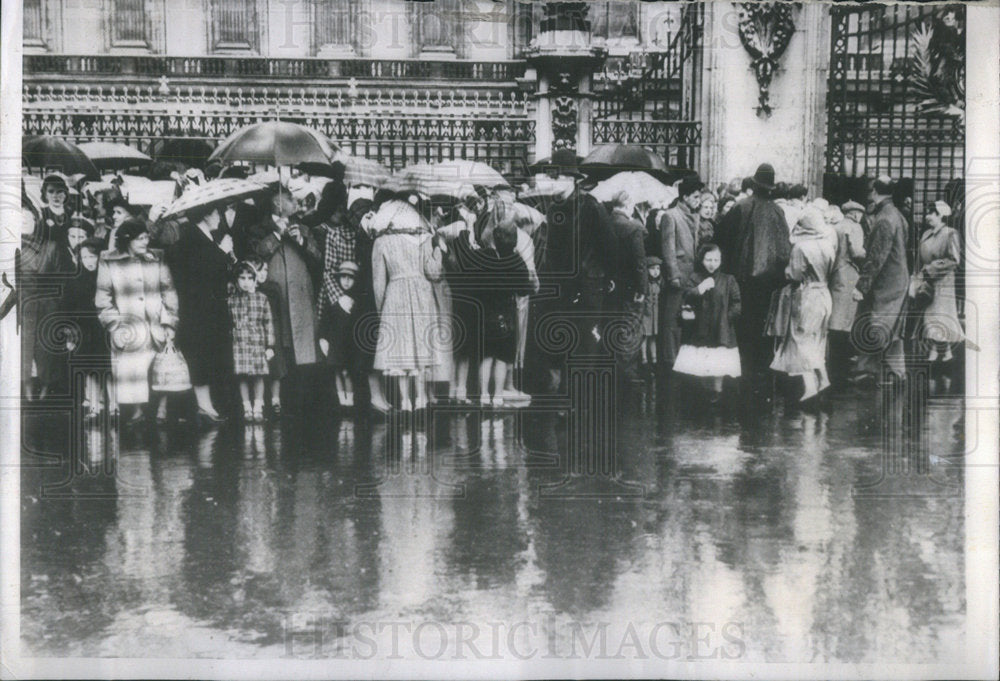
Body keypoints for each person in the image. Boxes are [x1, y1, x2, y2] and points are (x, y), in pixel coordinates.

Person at [714, 163, 791, 399]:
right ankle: (761, 382)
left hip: (742, 280)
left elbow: (721, 240)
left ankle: (741, 379)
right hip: (769, 285)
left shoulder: (740, 207)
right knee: (764, 333)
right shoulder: (778, 212)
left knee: (741, 331)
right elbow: (785, 250)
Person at [94, 218, 178, 423]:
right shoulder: (109, 260)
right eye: (140, 239)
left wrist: (169, 321)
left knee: (163, 364)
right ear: (127, 240)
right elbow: (102, 297)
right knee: (133, 369)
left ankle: (162, 409)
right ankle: (137, 412)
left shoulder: (157, 257)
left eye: (147, 237)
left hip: (156, 320)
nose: (145, 242)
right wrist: (115, 325)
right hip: (128, 323)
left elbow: (169, 290)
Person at [449, 219, 533, 408]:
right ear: (514, 240)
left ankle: (484, 395)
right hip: (507, 315)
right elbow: (524, 288)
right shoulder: (516, 260)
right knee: (502, 358)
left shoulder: (483, 257)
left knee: (486, 356)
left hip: (485, 313)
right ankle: (498, 397)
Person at [252, 187, 324, 408]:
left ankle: (302, 398)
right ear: (277, 203)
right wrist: (275, 236)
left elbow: (317, 258)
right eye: (290, 197)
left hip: (300, 294)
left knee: (303, 344)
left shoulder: (302, 226)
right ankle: (277, 398)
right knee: (278, 342)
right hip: (275, 295)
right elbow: (255, 253)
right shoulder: (259, 227)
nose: (295, 201)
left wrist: (301, 241)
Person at [371, 199, 443, 413]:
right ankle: (421, 398)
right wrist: (438, 249)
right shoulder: (426, 238)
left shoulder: (381, 242)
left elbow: (378, 282)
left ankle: (405, 401)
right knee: (420, 347)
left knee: (401, 349)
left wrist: (381, 309)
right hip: (422, 293)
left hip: (395, 294)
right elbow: (434, 273)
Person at [167, 203, 236, 424]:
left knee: (207, 357)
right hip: (198, 311)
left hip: (209, 310)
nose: (220, 216)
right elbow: (200, 274)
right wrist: (222, 252)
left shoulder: (205, 237)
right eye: (217, 212)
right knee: (201, 357)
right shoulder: (190, 240)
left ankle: (206, 405)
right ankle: (203, 406)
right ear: (206, 215)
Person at [769, 209, 837, 408]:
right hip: (824, 293)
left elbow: (795, 274)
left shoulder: (801, 247)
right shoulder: (828, 244)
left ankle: (810, 387)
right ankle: (823, 379)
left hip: (807, 294)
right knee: (817, 339)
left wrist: (785, 270)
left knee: (801, 339)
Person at [852, 176, 910, 385]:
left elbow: (877, 256)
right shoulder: (897, 215)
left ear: (875, 192)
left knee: (878, 325)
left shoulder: (884, 219)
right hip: (897, 279)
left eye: (870, 192)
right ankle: (892, 371)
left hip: (886, 283)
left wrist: (862, 285)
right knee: (891, 327)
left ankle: (874, 371)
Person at [672, 243, 742, 404]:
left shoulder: (728, 280)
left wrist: (728, 319)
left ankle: (717, 391)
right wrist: (699, 289)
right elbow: (686, 296)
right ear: (702, 260)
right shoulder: (694, 278)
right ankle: (705, 391)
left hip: (721, 327)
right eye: (708, 259)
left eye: (716, 260)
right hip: (699, 328)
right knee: (702, 360)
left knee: (719, 360)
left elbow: (736, 303)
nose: (712, 263)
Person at [34, 216, 94, 398]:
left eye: (81, 236)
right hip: (60, 305)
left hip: (82, 307)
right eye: (73, 236)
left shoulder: (91, 253)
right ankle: (56, 385)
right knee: (59, 344)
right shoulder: (59, 252)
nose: (77, 240)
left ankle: (82, 390)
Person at [61, 237, 113, 418]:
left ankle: (113, 405)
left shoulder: (107, 276)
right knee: (89, 368)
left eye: (93, 257)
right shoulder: (75, 279)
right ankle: (94, 405)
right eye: (85, 257)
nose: (89, 261)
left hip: (104, 327)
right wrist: (69, 333)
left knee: (107, 367)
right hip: (84, 329)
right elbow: (67, 306)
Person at [910, 200, 963, 376]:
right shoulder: (926, 234)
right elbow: (919, 258)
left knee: (938, 319)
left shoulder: (950, 234)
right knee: (931, 320)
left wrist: (931, 269)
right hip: (926, 282)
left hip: (942, 283)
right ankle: (946, 358)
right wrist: (917, 276)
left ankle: (935, 358)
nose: (927, 216)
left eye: (930, 213)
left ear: (940, 215)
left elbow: (954, 260)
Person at [659, 175, 704, 370]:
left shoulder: (695, 216)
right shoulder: (671, 215)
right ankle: (670, 359)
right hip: (678, 276)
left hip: (692, 277)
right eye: (695, 196)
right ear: (684, 196)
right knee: (672, 320)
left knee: (688, 317)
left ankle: (685, 358)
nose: (698, 199)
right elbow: (667, 248)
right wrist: (673, 275)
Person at [607, 190, 648, 383]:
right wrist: (642, 289)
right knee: (631, 327)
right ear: (627, 204)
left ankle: (612, 368)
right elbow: (640, 263)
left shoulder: (605, 224)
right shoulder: (633, 228)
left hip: (610, 285)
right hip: (631, 286)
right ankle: (628, 370)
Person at [228, 261, 275, 422]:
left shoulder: (262, 299)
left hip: (257, 342)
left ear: (255, 279)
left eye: (249, 278)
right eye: (242, 278)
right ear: (236, 280)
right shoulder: (232, 300)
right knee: (241, 375)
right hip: (239, 343)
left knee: (258, 375)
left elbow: (268, 322)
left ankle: (258, 406)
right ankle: (246, 407)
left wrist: (270, 345)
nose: (246, 282)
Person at [826, 201, 867, 388]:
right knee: (845, 323)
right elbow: (857, 252)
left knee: (835, 322)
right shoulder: (854, 227)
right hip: (849, 275)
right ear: (856, 213)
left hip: (835, 275)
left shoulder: (835, 227)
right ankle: (841, 372)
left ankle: (833, 368)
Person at [318, 261, 361, 409]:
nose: (346, 281)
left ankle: (349, 401)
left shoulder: (356, 302)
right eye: (343, 277)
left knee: (346, 372)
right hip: (335, 343)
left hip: (349, 345)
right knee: (337, 371)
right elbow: (325, 321)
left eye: (350, 278)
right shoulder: (334, 302)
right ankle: (342, 401)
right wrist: (323, 339)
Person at [248, 257, 285, 418]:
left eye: (265, 271)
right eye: (259, 270)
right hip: (256, 332)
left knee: (276, 368)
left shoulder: (273, 288)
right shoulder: (249, 289)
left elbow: (280, 312)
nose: (263, 274)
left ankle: (276, 401)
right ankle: (259, 402)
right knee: (259, 369)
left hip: (272, 330)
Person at [640, 256, 662, 370]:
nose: (655, 272)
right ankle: (644, 358)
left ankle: (654, 358)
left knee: (653, 336)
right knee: (645, 336)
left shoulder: (658, 283)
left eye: (658, 269)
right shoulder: (645, 284)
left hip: (655, 315)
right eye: (652, 268)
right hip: (646, 314)